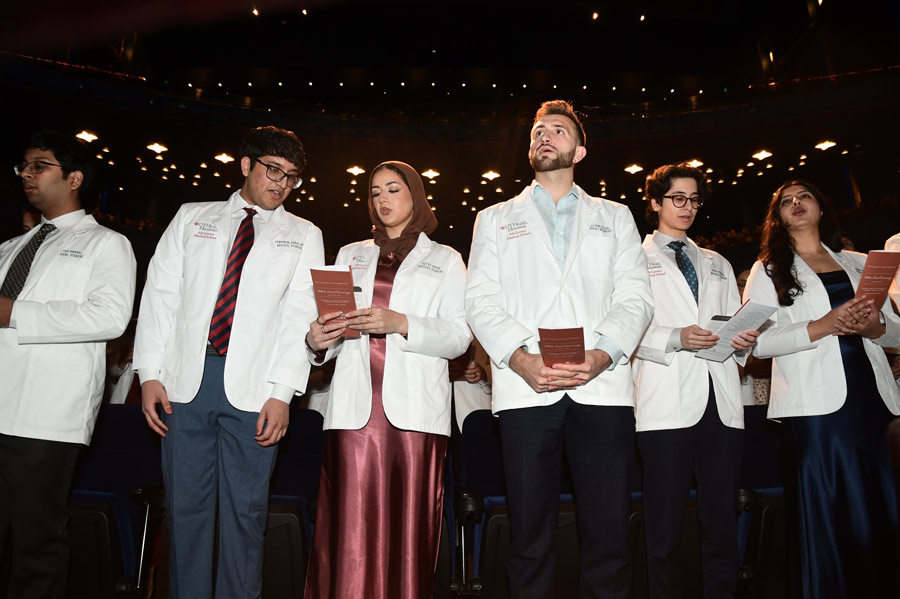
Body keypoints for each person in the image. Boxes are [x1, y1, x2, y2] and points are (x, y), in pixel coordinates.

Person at [465, 100, 654, 598]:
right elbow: (479, 300)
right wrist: (521, 359)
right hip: (527, 388)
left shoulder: (615, 216)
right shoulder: (495, 218)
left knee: (610, 536)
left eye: (558, 130)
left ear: (580, 149)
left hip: (604, 388)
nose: (545, 136)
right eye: (537, 131)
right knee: (528, 537)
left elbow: (635, 295)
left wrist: (603, 354)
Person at [133, 126, 324, 599]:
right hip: (183, 385)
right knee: (186, 515)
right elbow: (160, 296)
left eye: (292, 177)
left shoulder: (304, 234)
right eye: (272, 170)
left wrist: (282, 394)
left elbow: (298, 317)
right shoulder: (190, 216)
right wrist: (149, 374)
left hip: (255, 392)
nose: (281, 183)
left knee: (246, 516)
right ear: (246, 165)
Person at [303, 161, 471, 598]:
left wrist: (401, 322)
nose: (382, 200)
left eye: (393, 189)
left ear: (415, 196)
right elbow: (334, 332)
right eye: (375, 192)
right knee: (348, 533)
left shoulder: (446, 259)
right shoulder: (349, 254)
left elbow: (458, 338)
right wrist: (318, 339)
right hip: (353, 413)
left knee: (409, 534)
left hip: (415, 416)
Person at [743, 180, 900, 598]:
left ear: (822, 208)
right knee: (830, 509)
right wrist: (823, 325)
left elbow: (895, 331)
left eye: (805, 196)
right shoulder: (768, 269)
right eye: (786, 202)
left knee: (882, 505)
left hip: (875, 400)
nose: (796, 204)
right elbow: (758, 341)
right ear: (777, 218)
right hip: (816, 408)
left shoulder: (861, 261)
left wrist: (876, 327)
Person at [0, 130, 136, 597]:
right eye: (23, 166)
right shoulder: (12, 247)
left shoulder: (107, 244)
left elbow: (111, 317)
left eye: (40, 165)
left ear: (74, 178)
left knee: (34, 545)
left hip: (46, 416)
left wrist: (13, 312)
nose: (27, 174)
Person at [631, 163, 758, 598]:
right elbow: (622, 329)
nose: (687, 208)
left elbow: (732, 331)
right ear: (654, 203)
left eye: (694, 200)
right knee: (663, 526)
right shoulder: (631, 258)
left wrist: (742, 338)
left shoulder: (717, 261)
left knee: (720, 521)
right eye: (677, 198)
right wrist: (675, 337)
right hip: (665, 403)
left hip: (720, 403)